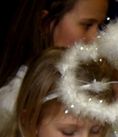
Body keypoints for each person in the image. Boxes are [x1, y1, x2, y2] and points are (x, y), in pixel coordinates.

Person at [0, 0, 108, 129]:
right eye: (87, 25)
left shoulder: (98, 84)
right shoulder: (14, 102)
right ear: (46, 23)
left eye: (100, 26)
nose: (95, 37)